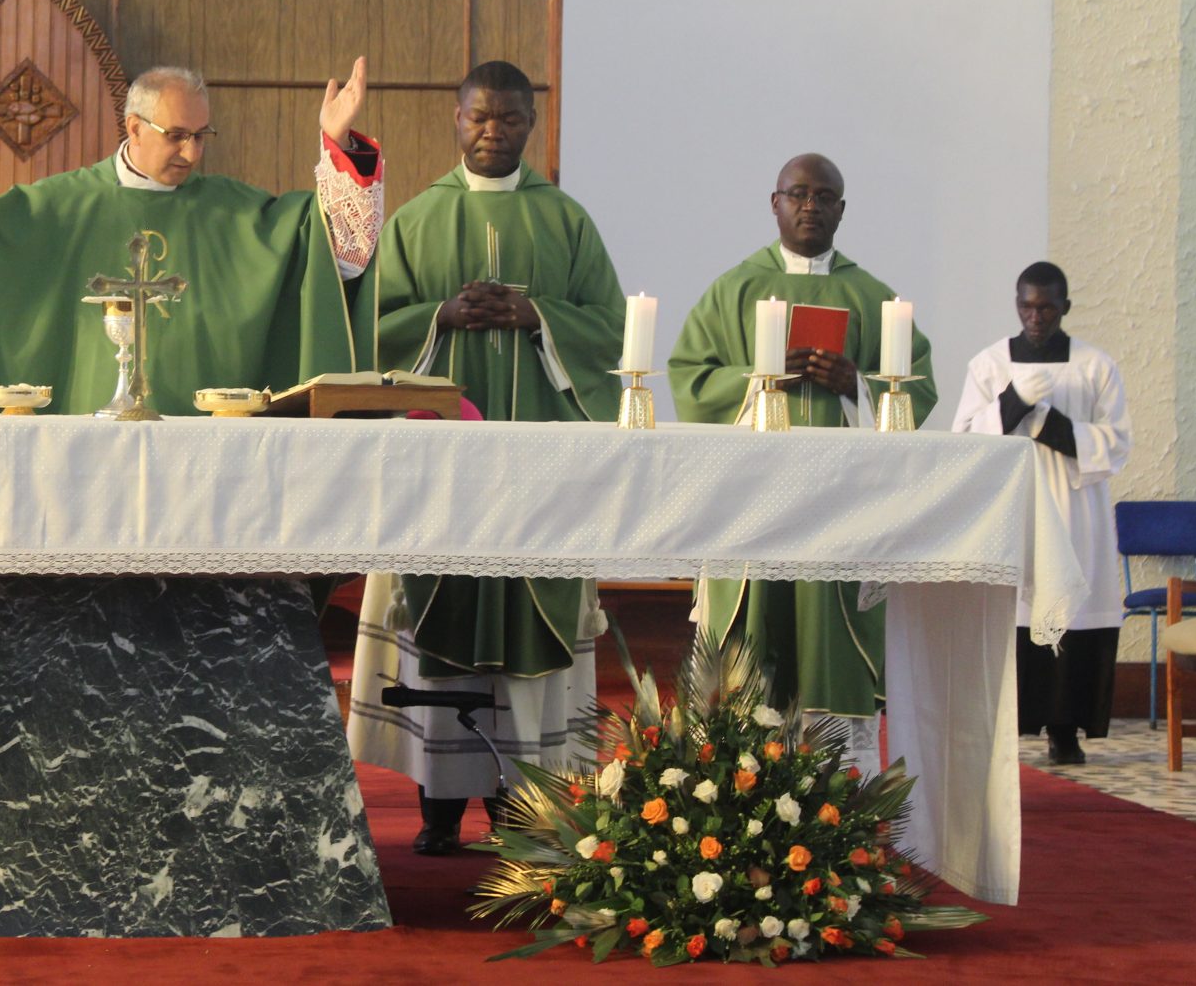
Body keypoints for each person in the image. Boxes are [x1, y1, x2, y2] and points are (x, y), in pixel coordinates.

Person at [344, 61, 625, 854]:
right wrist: (440, 314)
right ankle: (438, 801)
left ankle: (516, 801)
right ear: (454, 118)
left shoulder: (566, 222)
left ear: (531, 125)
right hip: (441, 471)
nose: (492, 131)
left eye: (508, 119)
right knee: (443, 621)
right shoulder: (415, 221)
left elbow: (611, 330)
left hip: (539, 475)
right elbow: (368, 325)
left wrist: (540, 316)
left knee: (525, 630)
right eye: (479, 118)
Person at [0, 61, 382, 410]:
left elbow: (340, 256)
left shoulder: (239, 214)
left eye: (202, 136)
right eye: (177, 135)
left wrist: (336, 144)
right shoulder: (56, 209)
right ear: (133, 127)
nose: (192, 153)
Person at [667, 153, 934, 774]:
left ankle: (836, 788)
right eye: (797, 194)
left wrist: (857, 384)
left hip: (839, 512)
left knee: (827, 630)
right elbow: (690, 379)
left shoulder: (873, 297)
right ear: (775, 203)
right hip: (750, 505)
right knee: (752, 629)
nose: (810, 206)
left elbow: (915, 387)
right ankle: (736, 780)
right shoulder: (734, 289)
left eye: (824, 196)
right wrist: (761, 378)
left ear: (842, 208)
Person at [951, 261, 1130, 765]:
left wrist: (1049, 424)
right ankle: (1006, 725)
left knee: (1070, 614)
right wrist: (1011, 402)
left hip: (1075, 509)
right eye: (1026, 306)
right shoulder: (990, 365)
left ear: (1064, 307)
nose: (1035, 317)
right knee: (1013, 614)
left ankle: (1065, 729)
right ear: (1017, 305)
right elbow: (964, 440)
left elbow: (1117, 442)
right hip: (1013, 508)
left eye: (1046, 307)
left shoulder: (1096, 366)